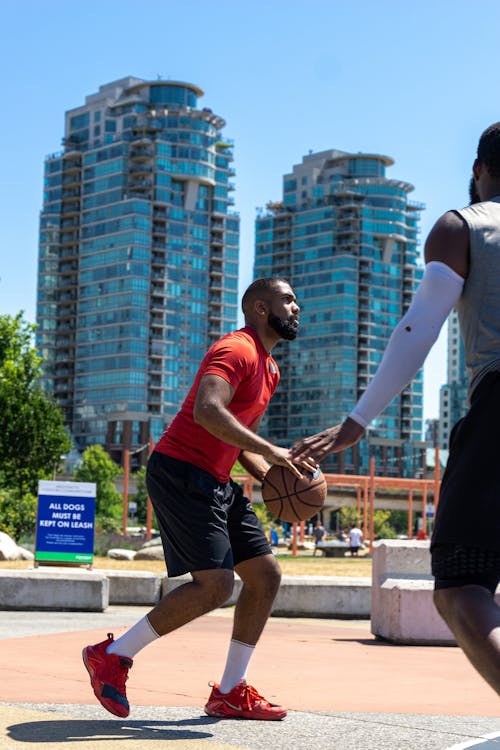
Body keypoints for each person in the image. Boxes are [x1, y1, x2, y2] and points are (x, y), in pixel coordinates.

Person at [292, 124, 500, 696]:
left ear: (480, 168)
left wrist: (358, 420)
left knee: (462, 585)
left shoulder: (466, 226)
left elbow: (418, 329)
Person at [83, 277, 317, 720]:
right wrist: (273, 449)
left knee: (265, 576)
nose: (297, 307)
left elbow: (236, 434)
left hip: (216, 478)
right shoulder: (237, 349)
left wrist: (271, 475)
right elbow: (208, 411)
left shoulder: (269, 368)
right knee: (216, 585)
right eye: (288, 300)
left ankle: (229, 691)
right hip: (180, 471)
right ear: (261, 309)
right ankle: (112, 655)